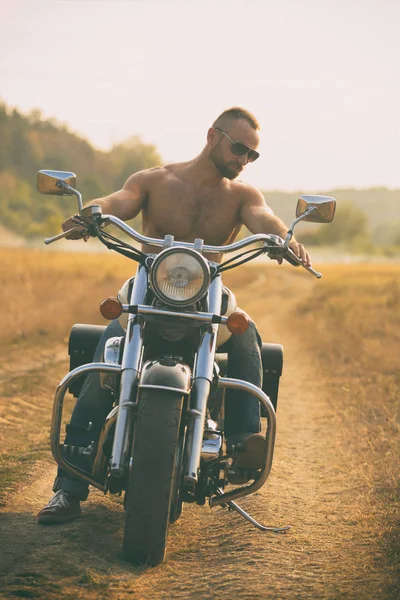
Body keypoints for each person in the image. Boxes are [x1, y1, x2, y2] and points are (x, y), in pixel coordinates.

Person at [37, 107, 311, 524]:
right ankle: (68, 490)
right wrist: (92, 212)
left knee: (245, 332)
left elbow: (264, 218)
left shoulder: (241, 196)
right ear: (213, 136)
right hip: (149, 293)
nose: (243, 160)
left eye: (252, 156)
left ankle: (243, 437)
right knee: (105, 356)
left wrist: (281, 238)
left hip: (208, 297)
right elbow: (119, 202)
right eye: (239, 149)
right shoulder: (155, 181)